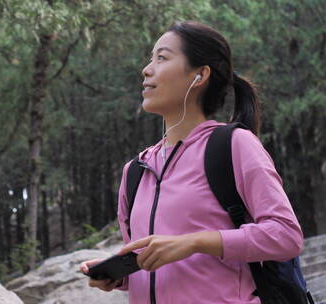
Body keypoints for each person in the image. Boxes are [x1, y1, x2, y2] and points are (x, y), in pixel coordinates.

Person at [79, 20, 304, 304]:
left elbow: (286, 236)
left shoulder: (234, 145)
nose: (147, 69)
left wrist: (195, 242)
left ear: (199, 75)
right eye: (150, 59)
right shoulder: (135, 171)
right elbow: (157, 263)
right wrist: (119, 275)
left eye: (161, 58)